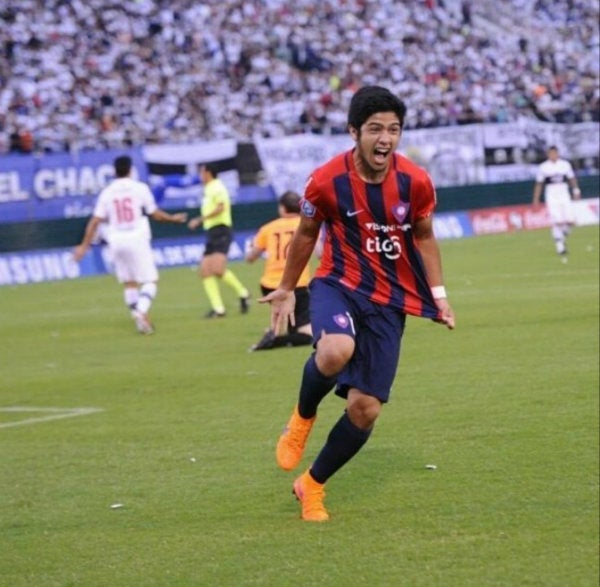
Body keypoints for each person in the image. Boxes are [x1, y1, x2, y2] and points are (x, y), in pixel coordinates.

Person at [260, 85, 455, 522]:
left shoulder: (415, 181)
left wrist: (439, 297)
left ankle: (311, 486)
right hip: (339, 283)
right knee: (334, 350)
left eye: (394, 129)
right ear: (354, 131)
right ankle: (301, 418)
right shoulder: (326, 180)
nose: (385, 138)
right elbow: (306, 235)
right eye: (375, 129)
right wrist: (289, 287)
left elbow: (424, 237)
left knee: (364, 409)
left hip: (390, 302)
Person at [73, 155, 188, 334]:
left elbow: (95, 221)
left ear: (115, 171)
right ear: (130, 169)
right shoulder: (139, 188)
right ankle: (141, 311)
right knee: (150, 280)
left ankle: (139, 318)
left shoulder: (107, 192)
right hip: (136, 236)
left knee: (129, 282)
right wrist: (173, 219)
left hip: (116, 239)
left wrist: (83, 246)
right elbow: (155, 214)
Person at [245, 190, 313, 351]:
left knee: (290, 323)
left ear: (282, 209)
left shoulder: (268, 228)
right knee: (308, 334)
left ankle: (275, 333)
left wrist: (250, 249)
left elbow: (250, 258)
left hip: (270, 285)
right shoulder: (307, 224)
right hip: (298, 284)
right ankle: (275, 339)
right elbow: (320, 252)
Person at [188, 163, 250, 318]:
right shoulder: (209, 188)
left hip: (221, 229)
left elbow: (221, 207)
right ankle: (218, 309)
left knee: (216, 269)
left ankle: (243, 292)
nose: (200, 175)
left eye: (201, 172)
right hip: (212, 232)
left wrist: (200, 219)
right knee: (205, 271)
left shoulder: (217, 187)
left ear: (208, 172)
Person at [532, 145, 582, 262]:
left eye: (555, 153)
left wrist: (576, 190)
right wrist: (536, 198)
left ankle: (561, 236)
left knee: (570, 221)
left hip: (563, 192)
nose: (553, 155)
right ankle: (560, 246)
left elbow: (572, 178)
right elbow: (539, 183)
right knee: (557, 220)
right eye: (551, 153)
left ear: (558, 153)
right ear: (548, 154)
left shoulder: (565, 165)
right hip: (551, 193)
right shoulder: (543, 167)